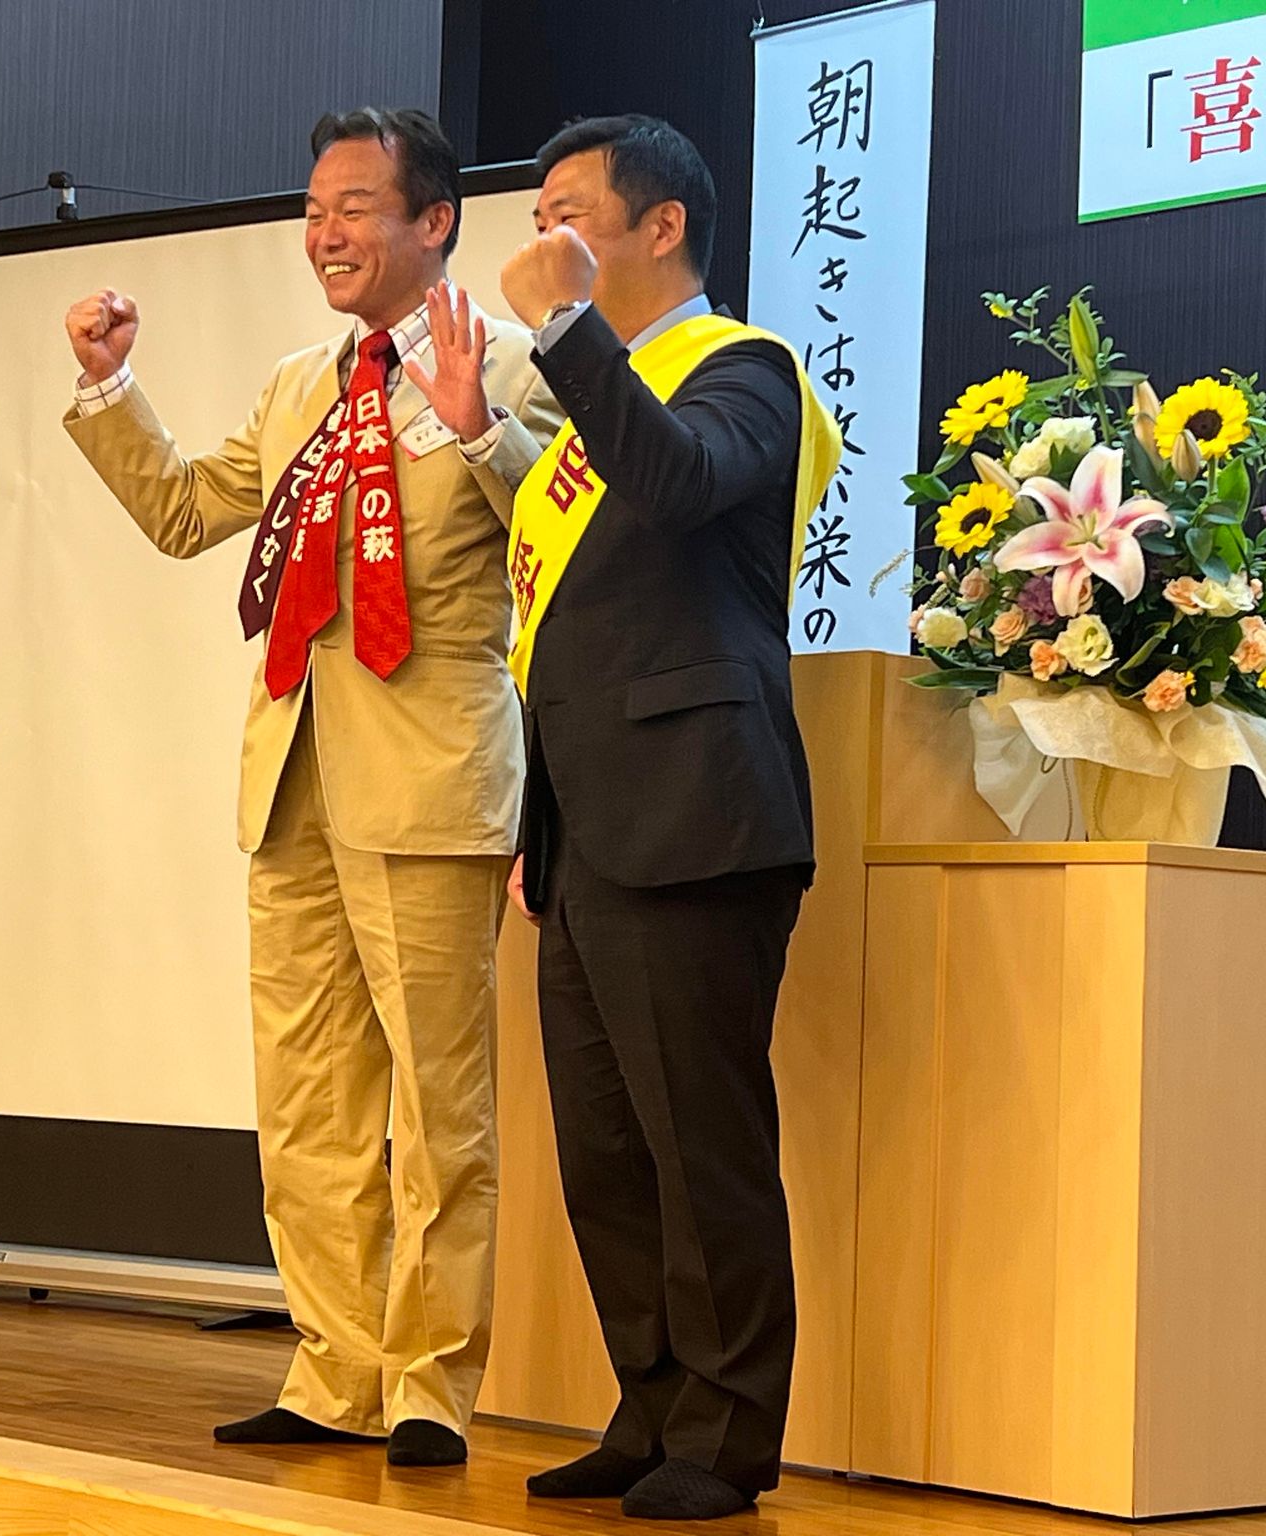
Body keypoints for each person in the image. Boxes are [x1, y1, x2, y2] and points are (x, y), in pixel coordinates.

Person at [60, 106, 562, 1468]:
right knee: (311, 1105)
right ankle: (332, 1371)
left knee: (439, 1109)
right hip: (293, 783)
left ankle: (429, 1387)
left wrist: (477, 431)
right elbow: (184, 512)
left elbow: (564, 533)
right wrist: (110, 387)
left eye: (354, 207)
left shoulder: (512, 364)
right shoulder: (301, 385)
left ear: (435, 221)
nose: (325, 234)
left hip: (434, 778)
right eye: (314, 209)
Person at [500, 115, 839, 1520]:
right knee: (606, 1156)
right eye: (537, 214)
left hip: (699, 816)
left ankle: (728, 1434)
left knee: (703, 1148)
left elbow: (682, 483)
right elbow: (564, 634)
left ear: (662, 226)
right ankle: (647, 1410)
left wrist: (565, 332)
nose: (544, 238)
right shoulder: (599, 403)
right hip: (585, 831)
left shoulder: (745, 369)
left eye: (572, 213)